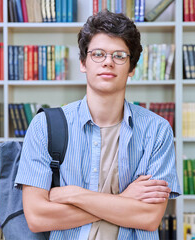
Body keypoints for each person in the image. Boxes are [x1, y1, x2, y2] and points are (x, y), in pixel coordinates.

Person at [15, 10, 181, 240]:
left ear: (132, 68)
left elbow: (149, 218)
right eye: (98, 54)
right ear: (83, 62)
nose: (108, 62)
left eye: (120, 55)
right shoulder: (45, 126)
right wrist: (124, 201)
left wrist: (72, 194)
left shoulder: (157, 131)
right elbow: (37, 217)